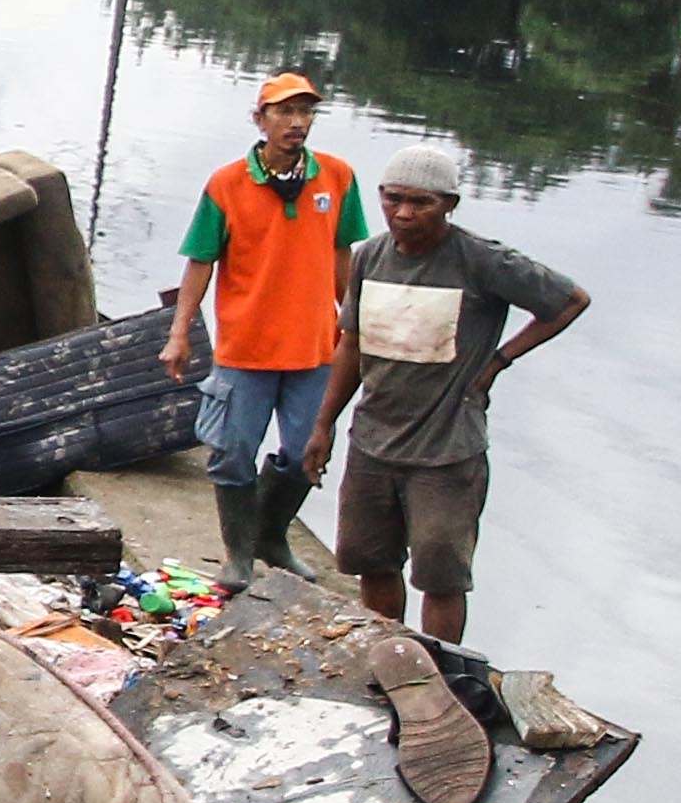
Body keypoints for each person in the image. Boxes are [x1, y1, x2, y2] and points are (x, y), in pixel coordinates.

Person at [303, 143, 589, 645]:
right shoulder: (370, 257)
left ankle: (441, 672)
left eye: (421, 203)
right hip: (374, 441)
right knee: (371, 561)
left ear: (449, 204)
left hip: (446, 451)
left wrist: (499, 360)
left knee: (441, 577)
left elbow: (569, 301)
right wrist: (324, 424)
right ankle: (389, 657)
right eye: (394, 200)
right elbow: (352, 343)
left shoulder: (481, 261)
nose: (405, 214)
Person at [162, 70, 361, 587]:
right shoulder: (227, 184)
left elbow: (344, 253)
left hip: (314, 347)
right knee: (231, 453)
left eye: (306, 113)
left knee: (303, 455)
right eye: (285, 112)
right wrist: (179, 331)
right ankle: (239, 556)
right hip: (244, 348)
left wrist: (353, 322)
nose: (297, 123)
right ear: (261, 119)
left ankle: (273, 537)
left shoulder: (336, 177)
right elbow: (200, 261)